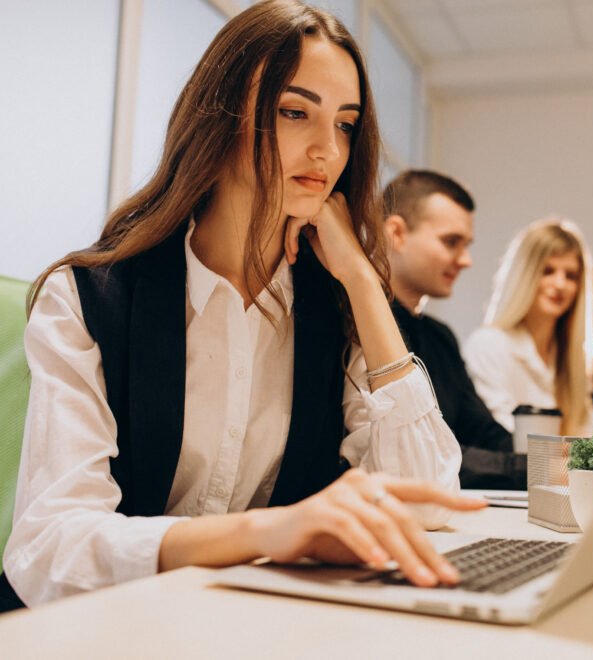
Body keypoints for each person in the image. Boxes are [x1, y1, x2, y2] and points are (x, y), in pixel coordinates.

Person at [0, 1, 484, 611]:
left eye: (344, 124)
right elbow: (49, 548)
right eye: (293, 112)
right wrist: (263, 532)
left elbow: (425, 499)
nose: (327, 151)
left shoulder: (331, 305)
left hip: (246, 625)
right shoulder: (89, 297)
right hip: (98, 627)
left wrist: (362, 280)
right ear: (220, 117)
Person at [382, 170, 523, 489]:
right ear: (397, 234)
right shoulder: (354, 324)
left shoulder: (441, 337)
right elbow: (427, 457)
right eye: (451, 242)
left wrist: (574, 457)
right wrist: (535, 468)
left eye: (466, 245)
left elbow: (486, 435)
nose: (466, 260)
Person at [464, 218, 593, 437]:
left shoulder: (576, 354)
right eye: (548, 271)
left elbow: (588, 426)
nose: (560, 284)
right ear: (524, 274)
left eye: (571, 276)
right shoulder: (488, 345)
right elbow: (504, 434)